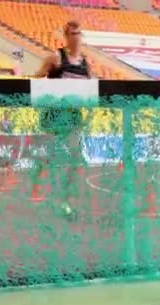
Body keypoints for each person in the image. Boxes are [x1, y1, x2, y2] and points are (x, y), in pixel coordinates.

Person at [35, 20, 90, 218]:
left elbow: (90, 91)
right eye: (72, 33)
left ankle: (65, 201)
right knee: (50, 158)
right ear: (66, 36)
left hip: (74, 119)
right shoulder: (56, 58)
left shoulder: (85, 64)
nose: (76, 37)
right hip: (54, 118)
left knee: (76, 160)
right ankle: (40, 179)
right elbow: (37, 78)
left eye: (78, 33)